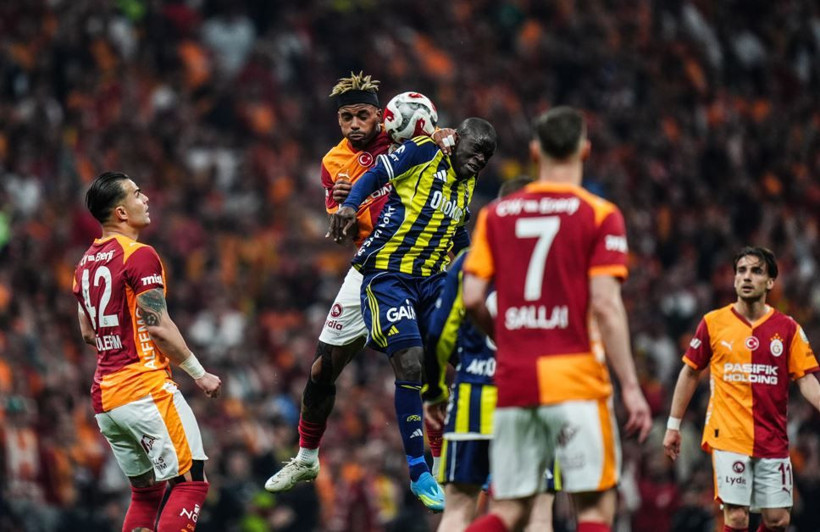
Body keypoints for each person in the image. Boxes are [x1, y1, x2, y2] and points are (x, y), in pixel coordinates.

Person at [460, 106, 652, 532]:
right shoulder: (600, 214)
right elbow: (606, 305)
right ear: (585, 151)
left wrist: (505, 338)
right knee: (594, 509)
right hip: (576, 379)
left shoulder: (496, 216)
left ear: (534, 151)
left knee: (508, 511)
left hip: (516, 380)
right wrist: (631, 386)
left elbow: (471, 297)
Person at [265, 72, 453, 495]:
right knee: (321, 369)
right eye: (346, 117)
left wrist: (446, 136)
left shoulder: (404, 137)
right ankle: (306, 458)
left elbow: (443, 146)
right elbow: (342, 231)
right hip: (371, 265)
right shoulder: (333, 163)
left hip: (419, 264)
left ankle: (440, 463)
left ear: (380, 115)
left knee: (427, 364)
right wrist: (341, 208)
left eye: (363, 115)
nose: (354, 125)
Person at [328, 117, 497, 512]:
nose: (479, 160)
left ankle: (475, 457)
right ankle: (419, 470)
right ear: (456, 139)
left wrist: (476, 266)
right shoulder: (424, 151)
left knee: (476, 359)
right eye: (475, 150)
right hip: (389, 275)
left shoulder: (467, 181)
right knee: (411, 360)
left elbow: (457, 230)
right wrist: (350, 206)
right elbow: (376, 175)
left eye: (486, 156)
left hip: (433, 282)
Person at [73, 171, 222, 532]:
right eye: (138, 194)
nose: (146, 199)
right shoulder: (139, 256)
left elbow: (88, 332)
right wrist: (199, 373)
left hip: (106, 399)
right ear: (121, 212)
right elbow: (158, 327)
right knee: (190, 483)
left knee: (146, 493)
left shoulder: (84, 264)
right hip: (144, 389)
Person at [423, 177, 560, 532]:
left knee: (458, 507)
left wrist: (434, 391)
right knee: (538, 511)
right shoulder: (556, 264)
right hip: (533, 397)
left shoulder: (469, 262)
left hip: (474, 394)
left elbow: (438, 333)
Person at [663, 246, 820, 532]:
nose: (747, 277)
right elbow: (690, 372)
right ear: (734, 279)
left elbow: (807, 380)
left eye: (756, 271)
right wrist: (673, 425)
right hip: (728, 435)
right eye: (741, 270)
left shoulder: (788, 328)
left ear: (770, 282)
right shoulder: (713, 323)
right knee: (736, 517)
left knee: (778, 521)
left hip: (772, 436)